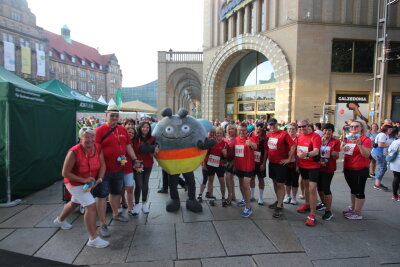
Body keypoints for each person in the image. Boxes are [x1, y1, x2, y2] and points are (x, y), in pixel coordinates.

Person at [54, 127, 109, 248]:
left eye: (92, 136)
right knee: (90, 205)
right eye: (86, 137)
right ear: (80, 138)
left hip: (88, 183)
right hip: (74, 183)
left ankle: (60, 220)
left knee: (74, 202)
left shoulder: (98, 147)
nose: (90, 139)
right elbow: (65, 173)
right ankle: (93, 238)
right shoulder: (73, 151)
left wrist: (99, 179)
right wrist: (83, 180)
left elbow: (103, 164)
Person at [93, 105, 140, 237]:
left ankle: (115, 213)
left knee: (116, 193)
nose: (114, 118)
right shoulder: (100, 130)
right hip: (104, 171)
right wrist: (99, 168)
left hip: (119, 168)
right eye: (112, 115)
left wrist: (135, 158)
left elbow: (128, 145)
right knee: (102, 196)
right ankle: (102, 224)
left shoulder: (122, 129)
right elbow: (96, 150)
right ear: (106, 115)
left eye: (116, 115)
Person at [341, 120, 372, 219]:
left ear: (361, 128)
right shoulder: (349, 138)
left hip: (360, 169)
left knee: (359, 191)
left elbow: (366, 154)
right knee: (353, 190)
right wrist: (343, 142)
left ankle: (357, 213)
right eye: (352, 127)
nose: (354, 128)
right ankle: (353, 208)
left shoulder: (365, 139)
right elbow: (344, 151)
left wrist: (359, 144)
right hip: (348, 168)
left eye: (356, 126)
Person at [267, 118, 296, 218]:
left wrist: (289, 159)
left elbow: (293, 145)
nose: (273, 126)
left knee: (280, 184)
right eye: (271, 125)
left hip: (280, 164)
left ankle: (279, 206)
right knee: (275, 182)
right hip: (272, 163)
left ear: (277, 124)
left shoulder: (284, 134)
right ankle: (279, 200)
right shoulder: (270, 134)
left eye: (274, 124)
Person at [296, 119, 322, 227]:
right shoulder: (299, 136)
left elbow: (316, 151)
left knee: (312, 189)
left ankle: (312, 214)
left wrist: (306, 155)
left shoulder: (315, 136)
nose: (302, 128)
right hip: (302, 166)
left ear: (308, 126)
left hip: (313, 166)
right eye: (300, 127)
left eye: (303, 126)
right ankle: (307, 204)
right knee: (306, 187)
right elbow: (297, 151)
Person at [131, 121, 159, 215]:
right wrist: (151, 148)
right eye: (143, 127)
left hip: (148, 164)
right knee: (139, 184)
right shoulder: (136, 138)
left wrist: (151, 148)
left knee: (145, 184)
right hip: (138, 165)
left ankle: (144, 204)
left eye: (147, 127)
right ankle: (137, 204)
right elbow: (140, 149)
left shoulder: (152, 138)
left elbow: (156, 148)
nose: (145, 129)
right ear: (140, 128)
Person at [317, 123, 340, 221]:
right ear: (322, 131)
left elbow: (337, 156)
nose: (327, 132)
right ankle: (323, 203)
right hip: (318, 167)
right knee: (319, 187)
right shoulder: (318, 140)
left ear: (332, 131)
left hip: (328, 168)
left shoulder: (335, 142)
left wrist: (334, 154)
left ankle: (328, 211)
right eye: (325, 130)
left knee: (326, 188)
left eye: (329, 130)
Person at [235, 123, 257, 217]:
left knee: (246, 185)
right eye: (240, 130)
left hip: (248, 167)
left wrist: (251, 144)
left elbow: (255, 146)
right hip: (239, 166)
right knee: (241, 184)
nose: (241, 132)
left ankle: (248, 207)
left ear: (247, 131)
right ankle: (244, 199)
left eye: (243, 130)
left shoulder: (250, 139)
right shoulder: (236, 139)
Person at [204, 127, 228, 206]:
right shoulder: (211, 142)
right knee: (210, 181)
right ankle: (211, 197)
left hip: (219, 165)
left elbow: (226, 157)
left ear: (223, 134)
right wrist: (204, 164)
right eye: (217, 133)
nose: (218, 134)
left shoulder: (225, 143)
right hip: (210, 164)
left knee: (222, 181)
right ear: (215, 134)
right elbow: (205, 153)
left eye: (220, 133)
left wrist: (225, 153)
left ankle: (223, 197)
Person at [249, 122, 268, 205]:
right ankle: (252, 195)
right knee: (251, 178)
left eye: (261, 126)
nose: (259, 128)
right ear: (255, 126)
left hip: (260, 162)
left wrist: (264, 163)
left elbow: (266, 151)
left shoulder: (264, 137)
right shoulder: (250, 135)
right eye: (258, 126)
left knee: (261, 179)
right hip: (252, 161)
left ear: (263, 128)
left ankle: (260, 197)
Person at [371, 125, 395, 191]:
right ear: (386, 129)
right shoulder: (383, 135)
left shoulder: (385, 135)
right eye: (390, 129)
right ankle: (377, 184)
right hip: (379, 153)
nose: (391, 130)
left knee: (382, 168)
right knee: (382, 168)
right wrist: (391, 145)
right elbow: (380, 145)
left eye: (391, 129)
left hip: (380, 153)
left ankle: (378, 183)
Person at [284, 123, 299, 205]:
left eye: (293, 129)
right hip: (286, 163)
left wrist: (298, 165)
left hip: (295, 163)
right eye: (289, 129)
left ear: (296, 130)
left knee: (295, 181)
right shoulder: (285, 139)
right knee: (287, 181)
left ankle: (294, 197)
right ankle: (287, 196)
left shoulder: (298, 139)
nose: (291, 130)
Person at [224, 124, 238, 204]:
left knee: (228, 178)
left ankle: (229, 195)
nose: (230, 130)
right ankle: (233, 196)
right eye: (229, 129)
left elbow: (237, 152)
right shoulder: (226, 138)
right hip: (226, 161)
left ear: (235, 130)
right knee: (230, 179)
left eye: (232, 129)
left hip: (233, 162)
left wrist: (233, 163)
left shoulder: (236, 139)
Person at [123, 126, 135, 215]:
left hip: (129, 168)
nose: (130, 134)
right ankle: (119, 207)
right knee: (119, 189)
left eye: (132, 133)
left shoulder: (134, 142)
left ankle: (131, 208)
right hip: (119, 168)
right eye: (129, 132)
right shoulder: (121, 142)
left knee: (130, 188)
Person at [388, 129, 400, 201]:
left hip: (395, 162)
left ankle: (394, 195)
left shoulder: (395, 142)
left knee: (396, 178)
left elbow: (389, 151)